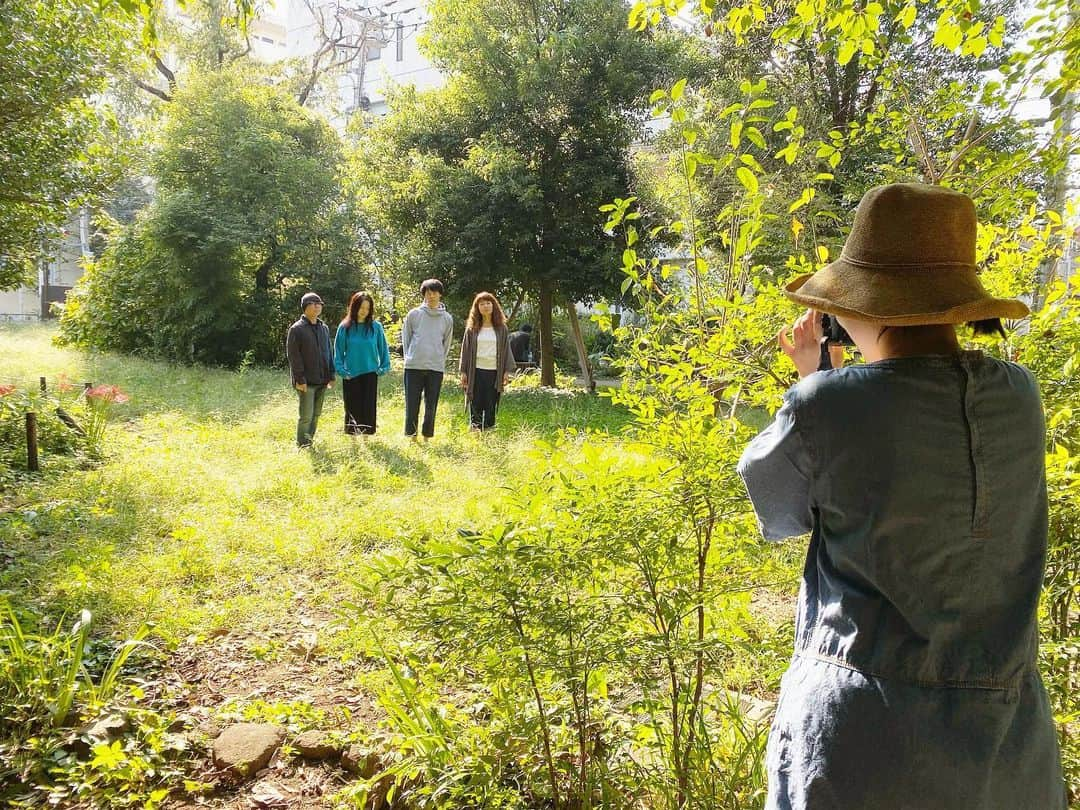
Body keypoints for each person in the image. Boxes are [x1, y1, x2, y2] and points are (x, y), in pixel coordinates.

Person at [737, 183, 1066, 810]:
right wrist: (822, 385)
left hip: (862, 742)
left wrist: (813, 384)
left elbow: (776, 504)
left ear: (870, 307)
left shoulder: (827, 406)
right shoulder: (1018, 396)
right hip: (1005, 741)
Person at [401, 278, 453, 439]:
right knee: (412, 404)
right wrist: (410, 357)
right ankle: (411, 436)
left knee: (431, 405)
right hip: (413, 366)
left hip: (435, 368)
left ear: (440, 295)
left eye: (434, 293)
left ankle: (427, 436)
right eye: (428, 293)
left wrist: (438, 360)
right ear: (424, 295)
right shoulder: (414, 314)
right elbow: (406, 339)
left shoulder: (447, 318)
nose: (431, 296)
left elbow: (446, 344)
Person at [334, 291, 391, 435]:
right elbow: (338, 352)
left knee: (368, 407)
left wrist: (383, 367)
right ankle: (352, 438)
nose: (364, 311)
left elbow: (383, 349)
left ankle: (367, 438)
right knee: (352, 407)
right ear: (354, 307)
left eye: (367, 308)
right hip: (350, 374)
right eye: (361, 307)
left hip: (370, 373)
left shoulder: (375, 327)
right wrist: (341, 371)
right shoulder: (344, 327)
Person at [459, 292, 517, 430]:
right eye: (482, 304)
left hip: (494, 372)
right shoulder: (472, 329)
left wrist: (506, 371)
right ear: (477, 307)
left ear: (494, 306)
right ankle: (475, 430)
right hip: (476, 371)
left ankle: (489, 431)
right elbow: (465, 351)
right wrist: (463, 372)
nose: (485, 306)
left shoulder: (501, 329)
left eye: (488, 303)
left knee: (491, 402)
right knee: (476, 401)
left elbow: (506, 350)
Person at [286, 292, 335, 448]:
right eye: (314, 303)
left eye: (319, 303)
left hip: (322, 379)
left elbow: (329, 352)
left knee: (316, 414)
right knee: (306, 416)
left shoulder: (324, 328)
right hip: (306, 381)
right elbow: (294, 357)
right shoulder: (297, 329)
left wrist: (331, 374)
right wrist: (299, 379)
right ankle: (302, 445)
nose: (317, 306)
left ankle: (309, 441)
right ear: (305, 307)